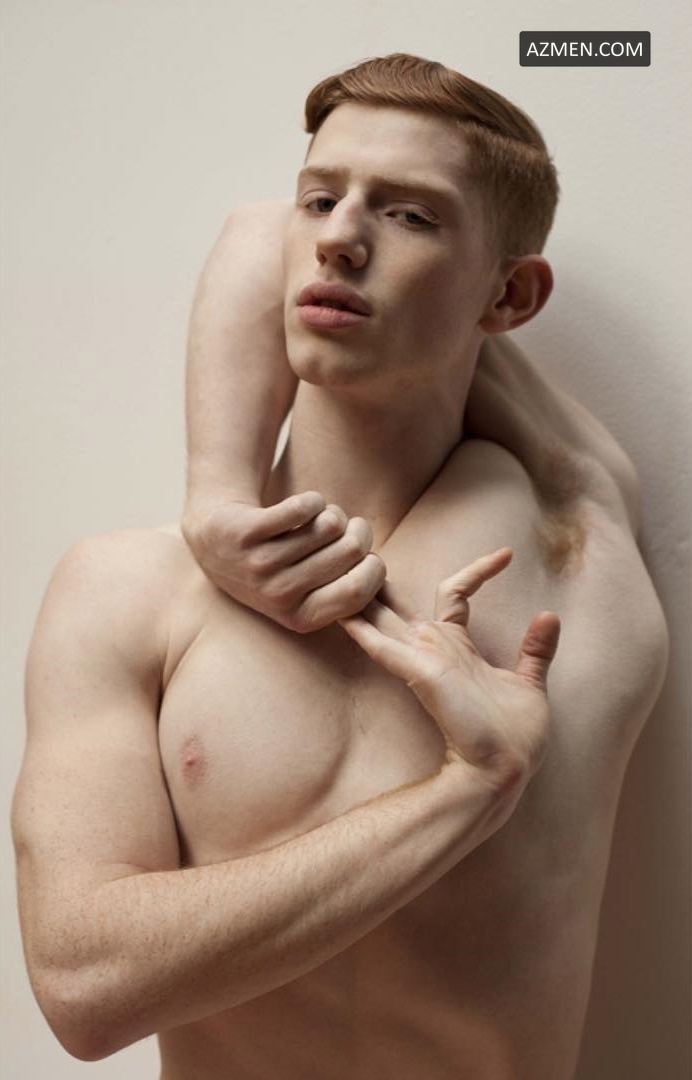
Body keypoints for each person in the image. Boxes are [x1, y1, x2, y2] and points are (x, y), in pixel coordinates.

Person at [12, 54, 668, 1079]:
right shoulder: (129, 593)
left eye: (410, 216)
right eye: (318, 200)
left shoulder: (576, 564)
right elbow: (86, 992)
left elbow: (260, 235)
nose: (338, 238)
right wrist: (468, 788)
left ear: (509, 294)